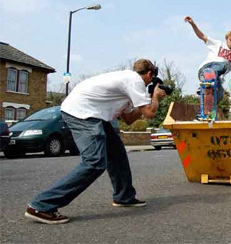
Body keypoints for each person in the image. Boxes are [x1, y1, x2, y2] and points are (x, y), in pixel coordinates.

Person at [24, 59, 166, 224]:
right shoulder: (134, 80)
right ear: (150, 74)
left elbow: (128, 119)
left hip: (93, 114)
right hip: (83, 113)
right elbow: (149, 114)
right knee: (94, 162)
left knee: (117, 152)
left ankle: (124, 196)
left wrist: (146, 100)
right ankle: (41, 205)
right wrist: (155, 97)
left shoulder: (126, 87)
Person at [184, 16, 231, 103]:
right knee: (221, 65)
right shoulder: (218, 44)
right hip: (205, 70)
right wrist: (193, 24)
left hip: (216, 80)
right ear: (227, 39)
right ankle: (206, 83)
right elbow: (202, 36)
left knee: (218, 96)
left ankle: (205, 114)